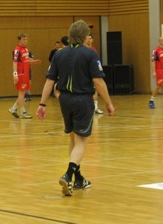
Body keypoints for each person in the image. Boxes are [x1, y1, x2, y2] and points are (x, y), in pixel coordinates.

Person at [36, 20, 114, 196]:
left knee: (73, 139)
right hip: (82, 100)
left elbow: (50, 80)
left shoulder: (59, 54)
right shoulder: (90, 54)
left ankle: (78, 179)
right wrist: (108, 102)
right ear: (84, 36)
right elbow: (98, 81)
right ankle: (68, 174)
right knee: (81, 141)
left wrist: (42, 103)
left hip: (64, 100)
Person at [8, 33, 41, 119]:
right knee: (22, 93)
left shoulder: (26, 49)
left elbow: (26, 60)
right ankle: (23, 112)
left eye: (26, 39)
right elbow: (14, 62)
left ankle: (13, 108)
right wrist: (15, 74)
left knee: (22, 93)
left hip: (26, 74)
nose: (26, 41)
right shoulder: (17, 50)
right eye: (24, 39)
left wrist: (34, 61)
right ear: (19, 40)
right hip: (21, 74)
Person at [84, 33, 104, 114]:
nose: (89, 40)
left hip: (92, 74)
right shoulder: (82, 50)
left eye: (90, 38)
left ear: (92, 40)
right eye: (87, 38)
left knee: (95, 89)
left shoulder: (94, 51)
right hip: (83, 75)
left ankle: (95, 107)